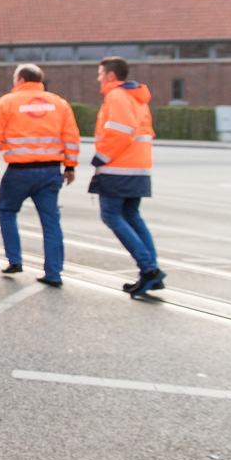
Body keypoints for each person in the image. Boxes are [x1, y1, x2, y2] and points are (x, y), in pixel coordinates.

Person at [0, 63, 80, 287]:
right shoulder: (59, 104)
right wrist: (71, 166)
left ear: (20, 80)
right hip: (50, 171)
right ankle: (54, 273)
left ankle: (15, 260)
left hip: (19, 171)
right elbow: (71, 136)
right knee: (50, 222)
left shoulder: (6, 102)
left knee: (7, 211)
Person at [90, 56, 166, 296]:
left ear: (111, 76)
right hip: (138, 167)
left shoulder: (116, 96)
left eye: (101, 73)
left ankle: (149, 269)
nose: (99, 78)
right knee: (132, 216)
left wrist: (100, 157)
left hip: (118, 168)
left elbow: (120, 131)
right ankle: (150, 272)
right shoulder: (137, 97)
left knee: (111, 216)